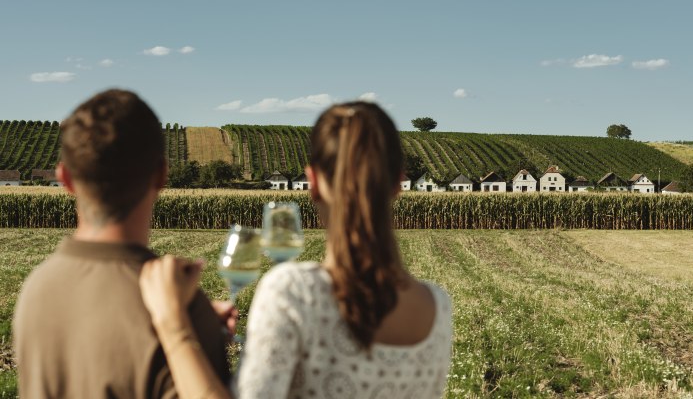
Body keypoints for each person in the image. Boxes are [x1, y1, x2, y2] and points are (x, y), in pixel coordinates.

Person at [139, 101, 453, 398]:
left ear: (313, 181)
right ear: (400, 182)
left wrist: (174, 325)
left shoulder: (295, 291)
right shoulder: (438, 306)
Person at [13, 89, 232, 398]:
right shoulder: (182, 309)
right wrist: (196, 330)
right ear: (161, 175)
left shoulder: (34, 291)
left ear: (66, 179)